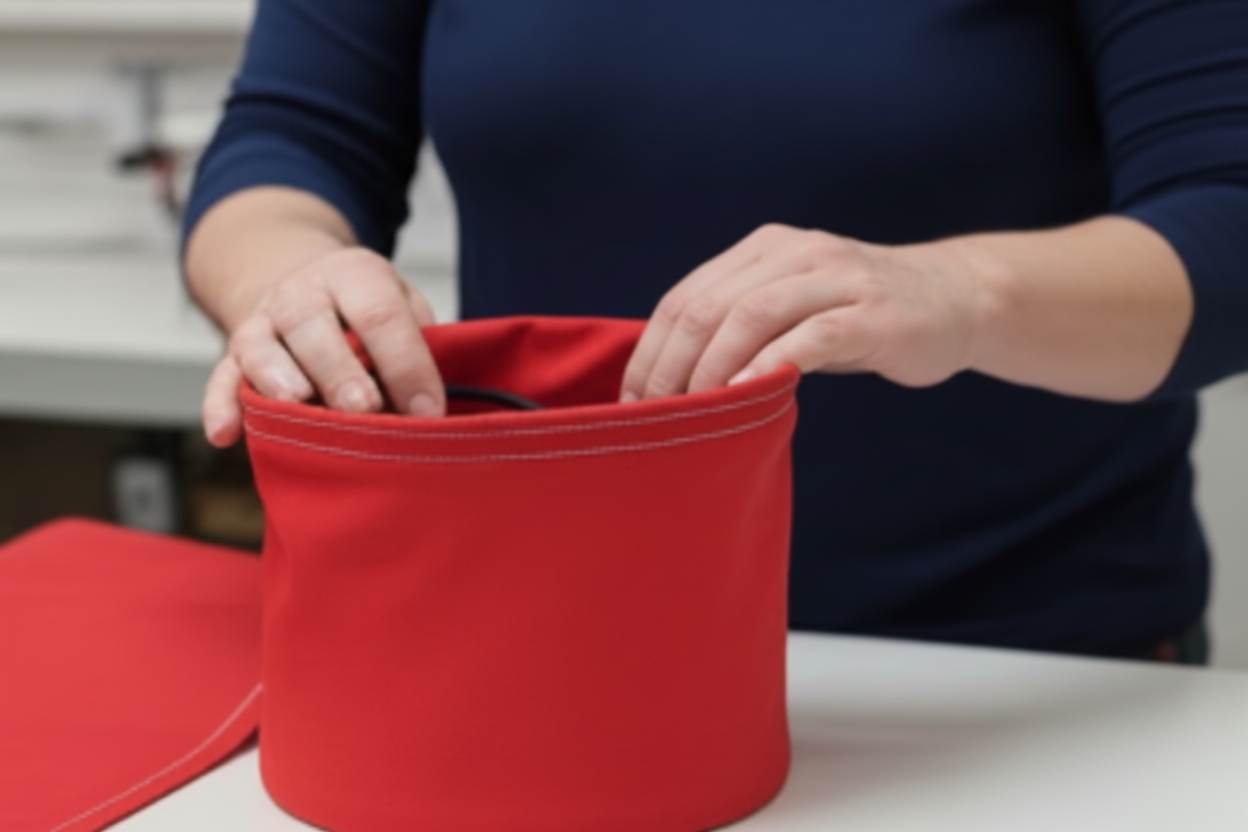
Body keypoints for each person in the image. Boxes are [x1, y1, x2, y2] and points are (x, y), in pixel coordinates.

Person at [183, 0, 1248, 661]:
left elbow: (1227, 216)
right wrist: (285, 278)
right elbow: (290, 136)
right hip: (542, 644)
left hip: (1006, 667)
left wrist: (961, 291)